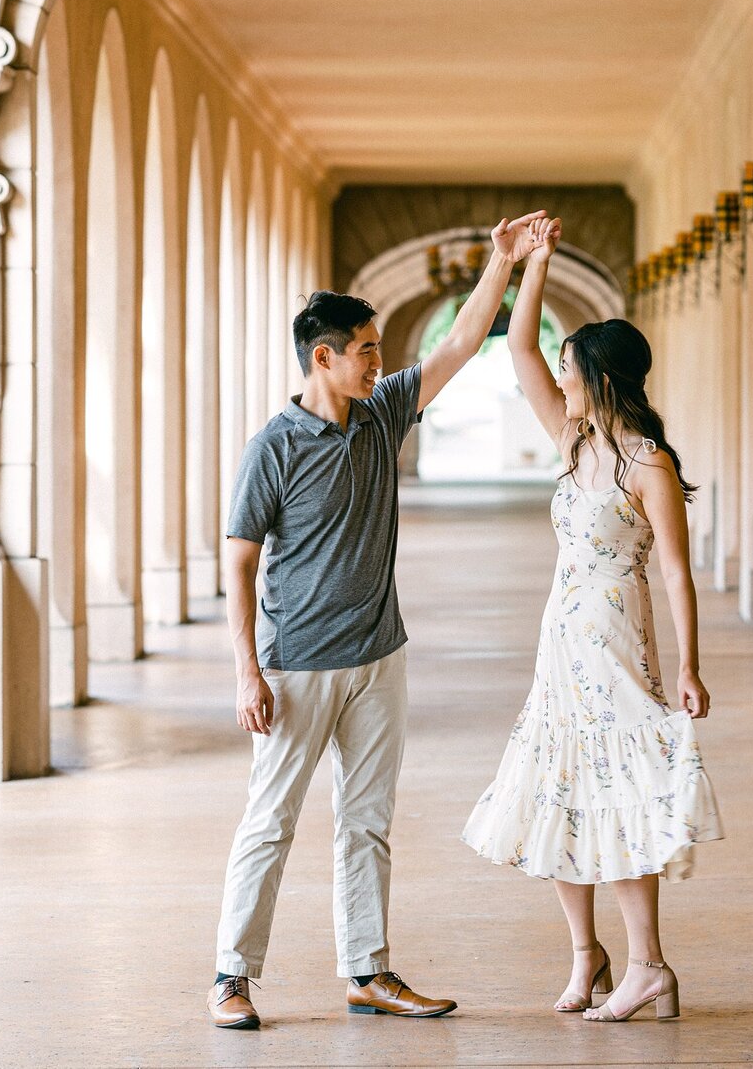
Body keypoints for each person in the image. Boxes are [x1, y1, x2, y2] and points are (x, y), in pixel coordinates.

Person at [208, 211, 549, 1030]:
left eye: (378, 352)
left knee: (367, 823)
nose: (379, 362)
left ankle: (368, 969)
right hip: (295, 665)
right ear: (322, 357)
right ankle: (230, 976)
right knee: (271, 823)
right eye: (366, 350)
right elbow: (239, 561)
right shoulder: (274, 448)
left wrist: (502, 263)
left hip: (378, 658)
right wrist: (247, 670)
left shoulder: (384, 414)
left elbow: (463, 346)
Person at [462, 216, 723, 1022]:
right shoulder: (573, 441)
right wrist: (535, 259)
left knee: (619, 791)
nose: (562, 379)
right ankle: (588, 958)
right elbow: (518, 349)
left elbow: (677, 572)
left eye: (574, 370)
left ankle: (648, 965)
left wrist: (686, 666)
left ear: (601, 377)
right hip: (560, 644)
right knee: (562, 788)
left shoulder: (649, 462)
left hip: (617, 643)